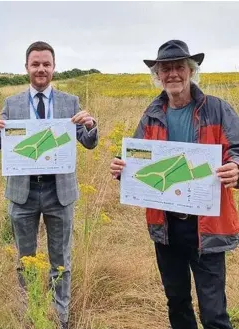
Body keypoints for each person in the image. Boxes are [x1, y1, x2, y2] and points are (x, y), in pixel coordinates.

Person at [110, 40, 239, 329]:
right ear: (158, 75)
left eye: (179, 67)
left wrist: (236, 168)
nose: (172, 75)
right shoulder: (152, 113)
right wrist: (120, 166)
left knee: (214, 310)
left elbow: (237, 151)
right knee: (177, 302)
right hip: (166, 224)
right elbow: (135, 157)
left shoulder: (217, 109)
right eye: (165, 69)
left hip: (208, 225)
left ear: (191, 71)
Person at [0, 41, 98, 329]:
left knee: (61, 262)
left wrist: (90, 126)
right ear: (26, 68)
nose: (41, 69)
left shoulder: (70, 101)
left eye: (46, 64)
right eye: (35, 64)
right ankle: (30, 316)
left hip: (59, 192)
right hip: (23, 192)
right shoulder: (12, 103)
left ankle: (59, 319)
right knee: (25, 260)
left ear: (53, 67)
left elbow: (87, 142)